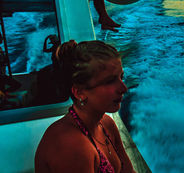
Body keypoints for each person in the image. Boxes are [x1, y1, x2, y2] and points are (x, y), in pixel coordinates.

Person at [35, 40, 135, 173]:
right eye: (110, 81)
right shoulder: (70, 145)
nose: (124, 88)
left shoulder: (106, 123)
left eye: (121, 77)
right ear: (79, 92)